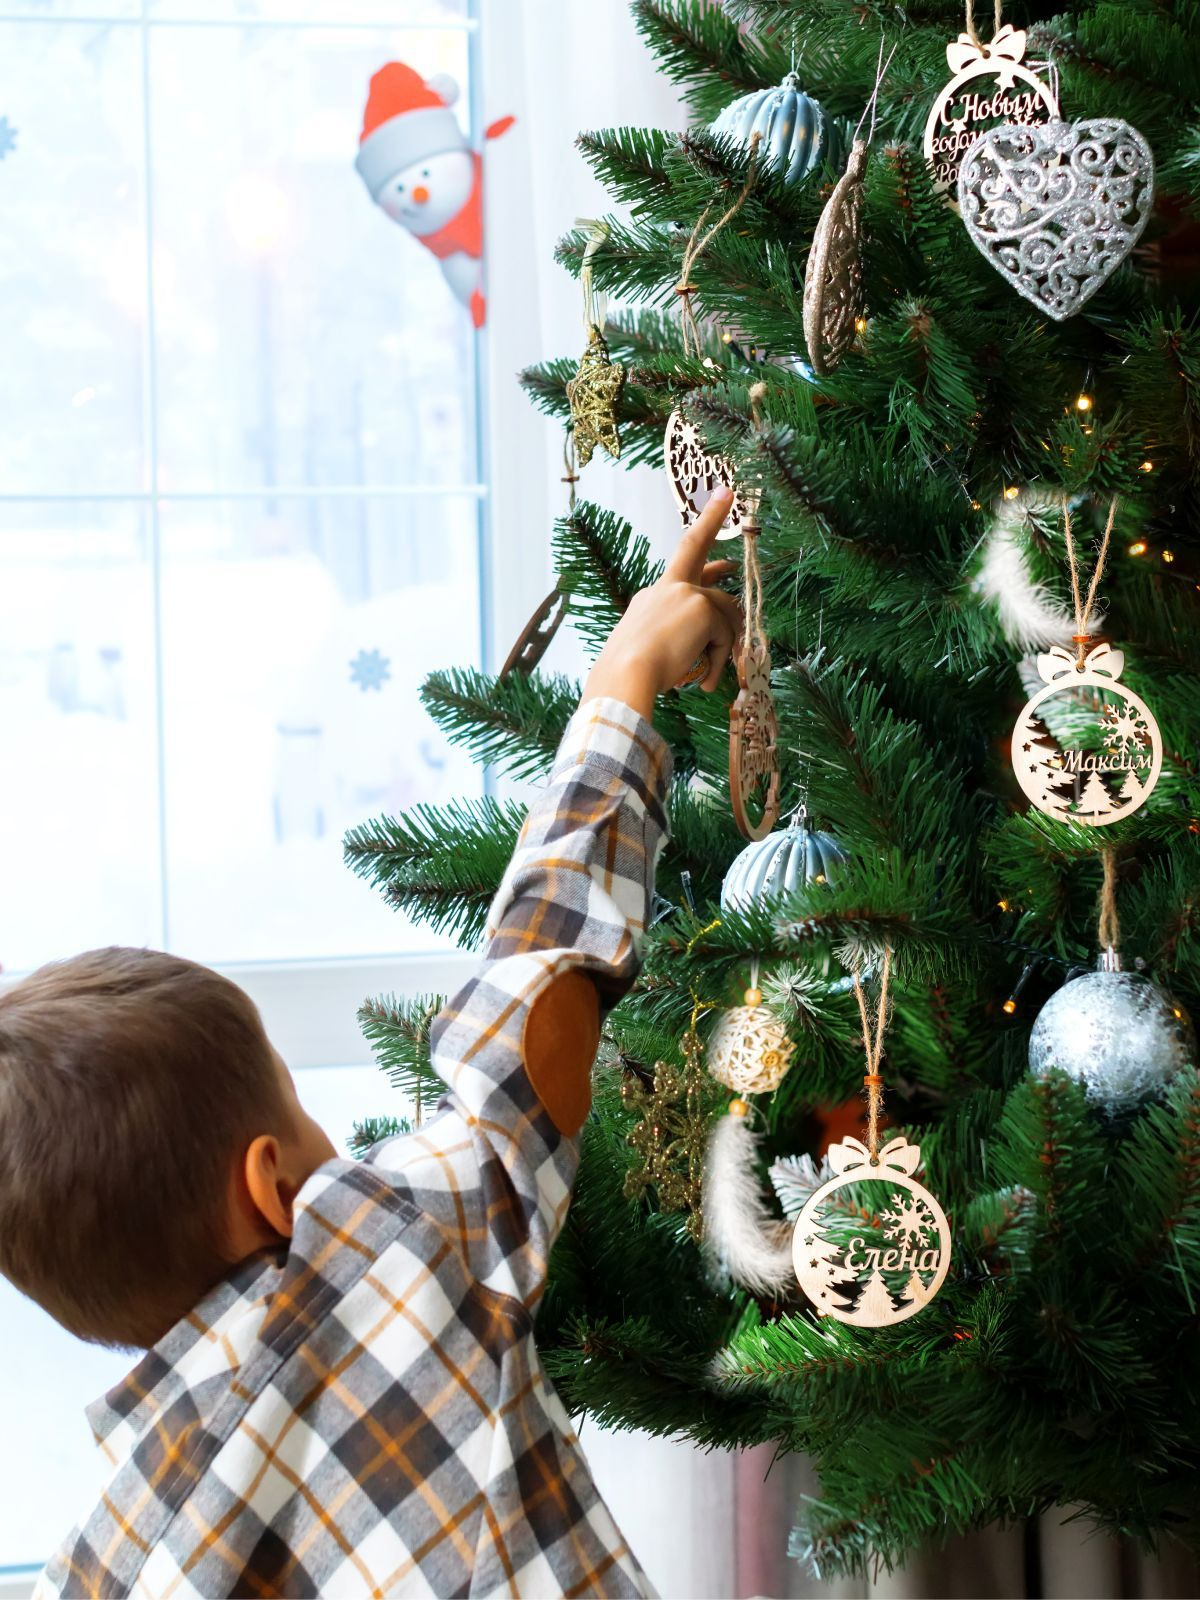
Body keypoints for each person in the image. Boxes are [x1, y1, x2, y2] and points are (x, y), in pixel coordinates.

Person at [6, 489, 742, 1599]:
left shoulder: (108, 1563)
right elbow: (531, 994)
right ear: (271, 1184)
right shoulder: (383, 1257)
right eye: (304, 1114)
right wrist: (624, 680)